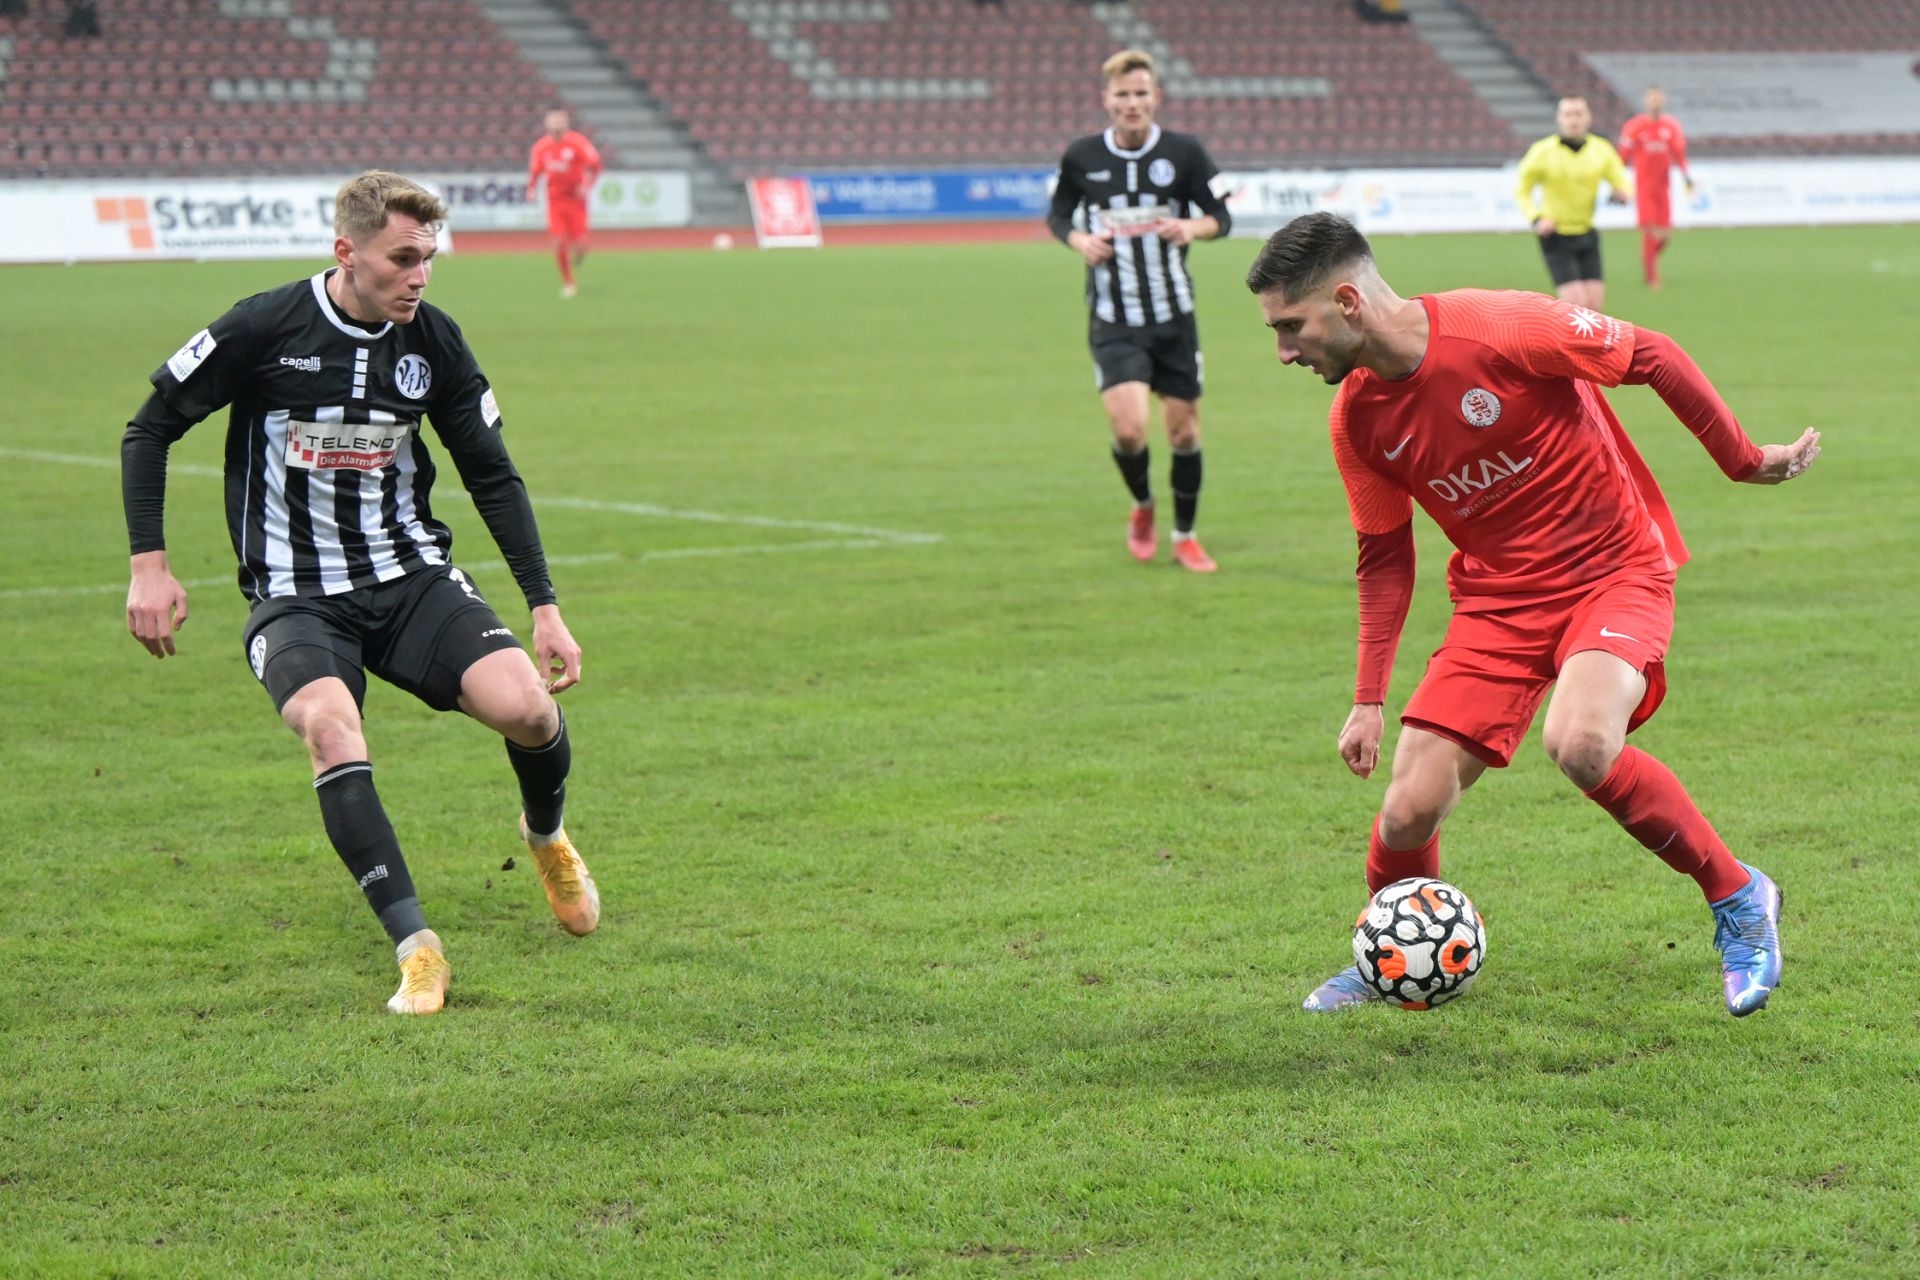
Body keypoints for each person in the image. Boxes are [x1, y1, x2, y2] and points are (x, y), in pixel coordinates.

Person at [1243, 212, 1820, 1017]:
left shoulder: (1499, 327)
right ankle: (1393, 960)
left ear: (1347, 301)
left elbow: (1648, 354)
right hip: (1497, 603)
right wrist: (1369, 697)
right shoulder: (1358, 421)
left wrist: (1744, 461)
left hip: (1613, 573)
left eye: (1290, 327)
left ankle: (1739, 896)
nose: (1284, 351)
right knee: (1409, 810)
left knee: (1580, 744)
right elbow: (1385, 558)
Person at [122, 171, 600, 1017]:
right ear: (347, 252)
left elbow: (492, 474)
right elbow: (149, 426)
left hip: (408, 578)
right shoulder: (265, 326)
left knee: (528, 709)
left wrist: (544, 604)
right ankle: (418, 950)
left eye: (430, 258)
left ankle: (546, 836)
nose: (420, 275)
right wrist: (148, 565)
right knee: (327, 725)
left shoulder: (435, 344)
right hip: (297, 594)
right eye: (403, 257)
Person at [1046, 48, 1233, 573]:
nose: (1132, 103)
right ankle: (1143, 507)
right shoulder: (1081, 156)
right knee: (1129, 430)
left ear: (1156, 97)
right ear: (1107, 100)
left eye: (1140, 93)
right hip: (1114, 316)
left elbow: (1222, 216)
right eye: (1122, 94)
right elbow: (1058, 214)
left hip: (1174, 316)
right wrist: (1079, 240)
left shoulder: (1185, 153)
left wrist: (1191, 227)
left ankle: (1186, 535)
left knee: (1184, 432)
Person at [1516, 96, 1631, 311]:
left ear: (1588, 118)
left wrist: (1623, 193)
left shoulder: (1601, 149)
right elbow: (1522, 189)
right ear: (1559, 118)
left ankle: (1581, 346)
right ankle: (1560, 344)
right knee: (1577, 308)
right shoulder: (1543, 151)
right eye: (1568, 114)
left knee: (1594, 311)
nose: (1573, 120)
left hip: (1587, 234)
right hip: (1556, 237)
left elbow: (1621, 179)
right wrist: (1536, 217)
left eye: (1578, 114)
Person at [1617, 86, 1695, 290]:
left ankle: (1648, 258)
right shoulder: (1634, 127)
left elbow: (1679, 154)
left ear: (1664, 100)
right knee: (1650, 231)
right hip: (1644, 187)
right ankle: (1652, 276)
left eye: (1658, 98)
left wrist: (1687, 175)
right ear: (1645, 101)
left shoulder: (1671, 126)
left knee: (1665, 235)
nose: (1655, 101)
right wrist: (1616, 182)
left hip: (1663, 186)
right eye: (1652, 98)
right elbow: (1622, 157)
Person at [526, 109, 602, 299]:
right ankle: (569, 282)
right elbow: (536, 171)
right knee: (558, 240)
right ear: (547, 125)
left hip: (576, 200)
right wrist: (532, 188)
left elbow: (596, 165)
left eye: (560, 122)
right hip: (555, 200)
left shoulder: (578, 143)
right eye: (553, 122)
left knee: (581, 244)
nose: (557, 126)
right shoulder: (541, 147)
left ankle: (579, 254)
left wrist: (587, 185)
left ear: (566, 124)